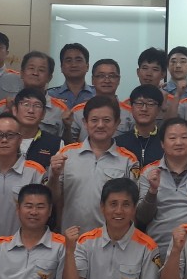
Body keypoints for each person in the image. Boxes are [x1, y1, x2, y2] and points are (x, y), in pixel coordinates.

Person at [49, 96, 139, 237]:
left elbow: (133, 207)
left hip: (112, 241)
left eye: (107, 120)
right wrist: (54, 176)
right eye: (94, 120)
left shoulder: (128, 160)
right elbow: (52, 199)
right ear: (85, 123)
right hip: (72, 239)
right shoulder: (66, 154)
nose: (100, 125)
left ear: (117, 123)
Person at [137, 118, 187, 252]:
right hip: (157, 248)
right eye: (172, 138)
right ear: (162, 143)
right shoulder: (148, 172)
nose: (179, 142)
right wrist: (152, 190)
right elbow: (142, 218)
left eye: (184, 137)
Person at [0, 52, 68, 138]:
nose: (35, 73)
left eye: (41, 70)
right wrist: (8, 114)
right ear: (21, 73)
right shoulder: (3, 105)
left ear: (49, 77)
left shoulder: (60, 110)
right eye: (31, 68)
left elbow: (66, 143)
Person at [67, 62, 130, 142]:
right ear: (93, 80)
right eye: (101, 76)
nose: (107, 80)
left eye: (112, 76)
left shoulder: (130, 113)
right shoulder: (78, 111)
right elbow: (68, 144)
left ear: (118, 80)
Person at [114, 85, 165, 170]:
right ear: (131, 107)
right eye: (139, 103)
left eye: (150, 104)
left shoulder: (166, 143)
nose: (144, 109)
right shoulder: (118, 143)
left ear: (159, 109)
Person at [49, 44, 93, 109]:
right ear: (61, 67)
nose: (73, 65)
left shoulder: (97, 94)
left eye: (78, 60)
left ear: (87, 66)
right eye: (68, 61)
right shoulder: (50, 95)